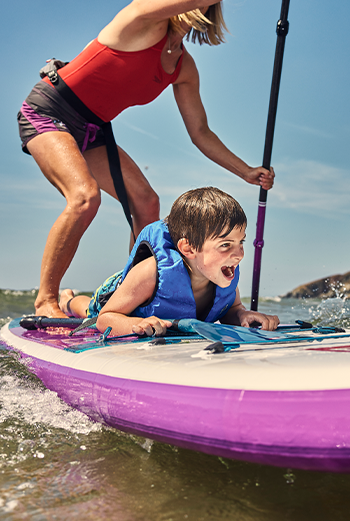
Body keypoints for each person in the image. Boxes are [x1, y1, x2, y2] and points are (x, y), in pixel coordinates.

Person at [18, 1, 275, 318]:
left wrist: (247, 171)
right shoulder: (140, 21)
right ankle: (47, 300)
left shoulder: (184, 67)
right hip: (50, 111)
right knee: (84, 197)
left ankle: (128, 297)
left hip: (93, 129)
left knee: (146, 201)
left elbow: (200, 132)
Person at [59, 187, 280, 336]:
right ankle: (67, 300)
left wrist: (242, 314)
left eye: (240, 242)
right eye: (225, 245)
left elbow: (230, 309)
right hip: (115, 294)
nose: (239, 254)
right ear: (188, 248)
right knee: (89, 309)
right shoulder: (151, 273)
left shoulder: (224, 274)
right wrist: (133, 324)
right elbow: (105, 318)